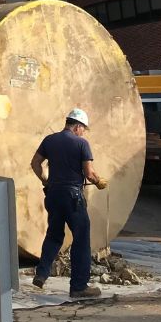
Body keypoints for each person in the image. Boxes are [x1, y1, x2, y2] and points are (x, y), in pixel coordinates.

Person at [30, 109, 109, 298]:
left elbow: (35, 163)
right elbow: (89, 173)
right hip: (73, 196)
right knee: (81, 239)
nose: (83, 132)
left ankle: (41, 273)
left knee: (54, 234)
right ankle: (79, 287)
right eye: (83, 129)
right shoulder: (82, 143)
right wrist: (99, 182)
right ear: (78, 126)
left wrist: (45, 181)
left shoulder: (50, 140)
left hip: (53, 194)